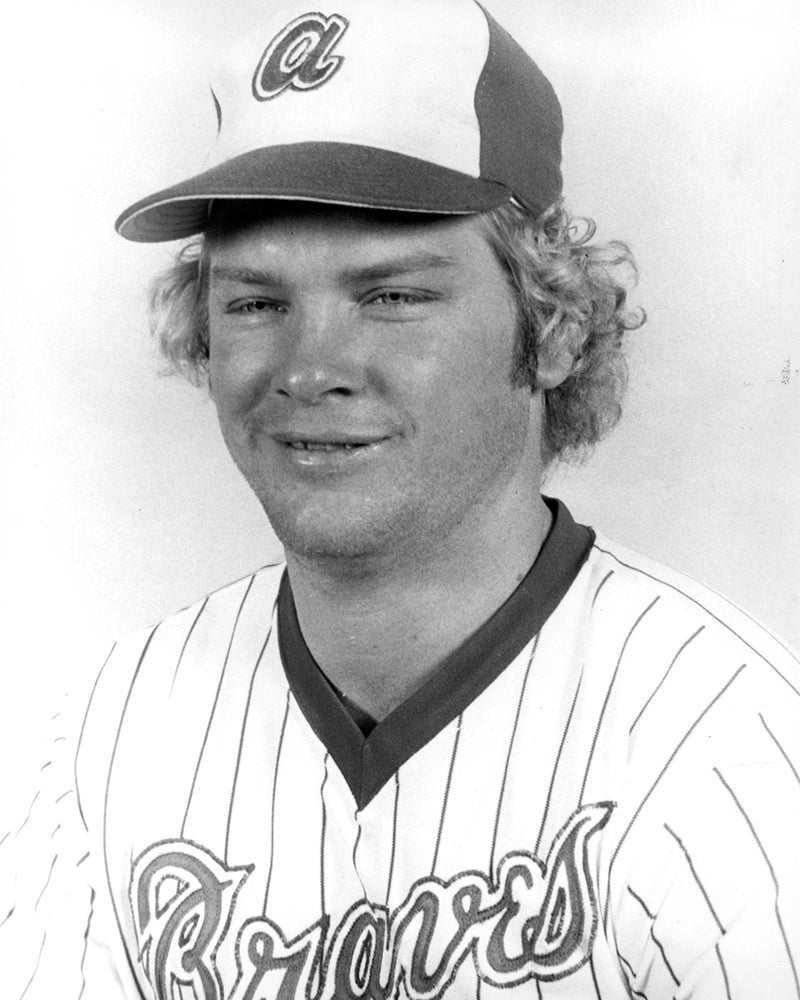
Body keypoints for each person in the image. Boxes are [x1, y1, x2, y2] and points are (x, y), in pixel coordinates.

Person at [3, 1, 799, 998]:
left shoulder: (727, 752)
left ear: (552, 329)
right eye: (256, 302)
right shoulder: (103, 739)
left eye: (392, 296)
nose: (309, 369)